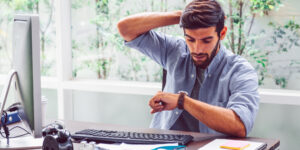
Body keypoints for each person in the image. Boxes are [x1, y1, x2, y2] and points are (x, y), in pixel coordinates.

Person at [117, 0, 259, 137]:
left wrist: (182, 101)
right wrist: (184, 15)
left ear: (222, 34)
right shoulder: (175, 50)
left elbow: (240, 126)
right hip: (161, 146)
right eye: (190, 39)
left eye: (206, 40)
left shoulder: (240, 70)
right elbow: (126, 28)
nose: (197, 49)